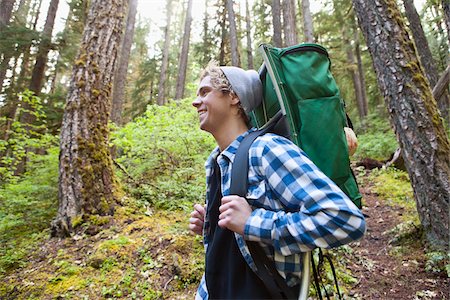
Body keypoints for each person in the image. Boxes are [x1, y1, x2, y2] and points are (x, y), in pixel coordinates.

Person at [189, 61, 366, 299]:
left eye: (205, 92)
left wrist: (253, 223)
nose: (195, 101)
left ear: (233, 97)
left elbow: (345, 220)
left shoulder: (266, 149)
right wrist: (212, 226)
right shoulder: (216, 163)